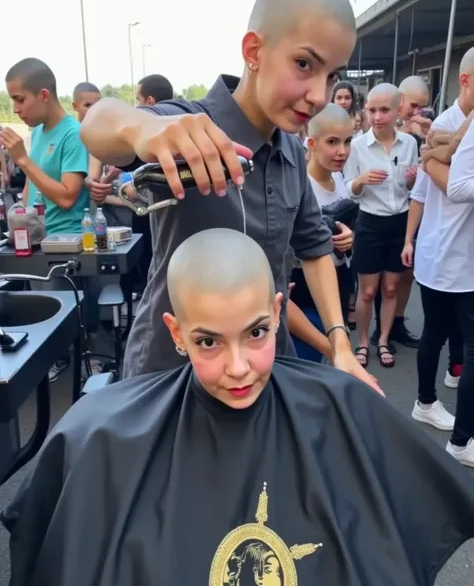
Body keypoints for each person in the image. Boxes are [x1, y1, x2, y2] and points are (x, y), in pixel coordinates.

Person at [3, 228, 474, 586]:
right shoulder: (103, 438)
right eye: (208, 341)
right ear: (176, 333)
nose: (238, 367)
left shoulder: (343, 412)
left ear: (276, 311)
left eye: (256, 333)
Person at [81, 0, 379, 390]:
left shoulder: (291, 150)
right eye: (304, 64)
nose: (319, 96)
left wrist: (339, 342)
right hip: (172, 376)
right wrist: (142, 129)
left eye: (330, 76)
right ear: (254, 50)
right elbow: (99, 121)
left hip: (261, 368)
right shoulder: (187, 125)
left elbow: (314, 245)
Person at [0, 58, 95, 382]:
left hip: (64, 242)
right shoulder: (38, 132)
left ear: (43, 95)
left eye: (19, 99)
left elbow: (68, 196)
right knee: (33, 311)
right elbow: (31, 186)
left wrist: (23, 161)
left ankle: (68, 370)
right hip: (34, 240)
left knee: (59, 317)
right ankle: (45, 363)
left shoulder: (74, 134)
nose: (16, 108)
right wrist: (19, 222)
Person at [401, 51, 474, 465]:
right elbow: (424, 194)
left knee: (450, 335)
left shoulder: (448, 131)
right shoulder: (446, 126)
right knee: (437, 333)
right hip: (447, 253)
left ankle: (442, 389)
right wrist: (410, 239)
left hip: (457, 255)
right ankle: (432, 407)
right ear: (464, 81)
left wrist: (430, 158)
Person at [344, 83, 418, 369]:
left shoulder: (410, 143)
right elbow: (349, 190)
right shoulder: (358, 146)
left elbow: (410, 188)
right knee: (367, 291)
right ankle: (363, 342)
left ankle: (383, 340)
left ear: (398, 110)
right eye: (372, 110)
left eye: (384, 110)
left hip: (399, 222)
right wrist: (361, 180)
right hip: (370, 223)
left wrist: (412, 178)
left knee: (390, 289)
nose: (377, 116)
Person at [290, 103, 355, 362]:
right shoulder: (299, 188)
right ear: (312, 143)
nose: (342, 151)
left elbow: (347, 228)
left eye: (348, 141)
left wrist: (350, 238)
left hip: (338, 283)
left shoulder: (338, 179)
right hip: (305, 291)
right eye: (332, 142)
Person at [372, 75, 431, 350]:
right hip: (377, 215)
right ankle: (378, 329)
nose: (417, 113)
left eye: (422, 108)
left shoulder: (415, 138)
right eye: (415, 106)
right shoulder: (377, 132)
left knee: (404, 273)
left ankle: (396, 322)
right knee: (378, 276)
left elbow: (415, 180)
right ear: (401, 101)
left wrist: (413, 176)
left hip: (409, 211)